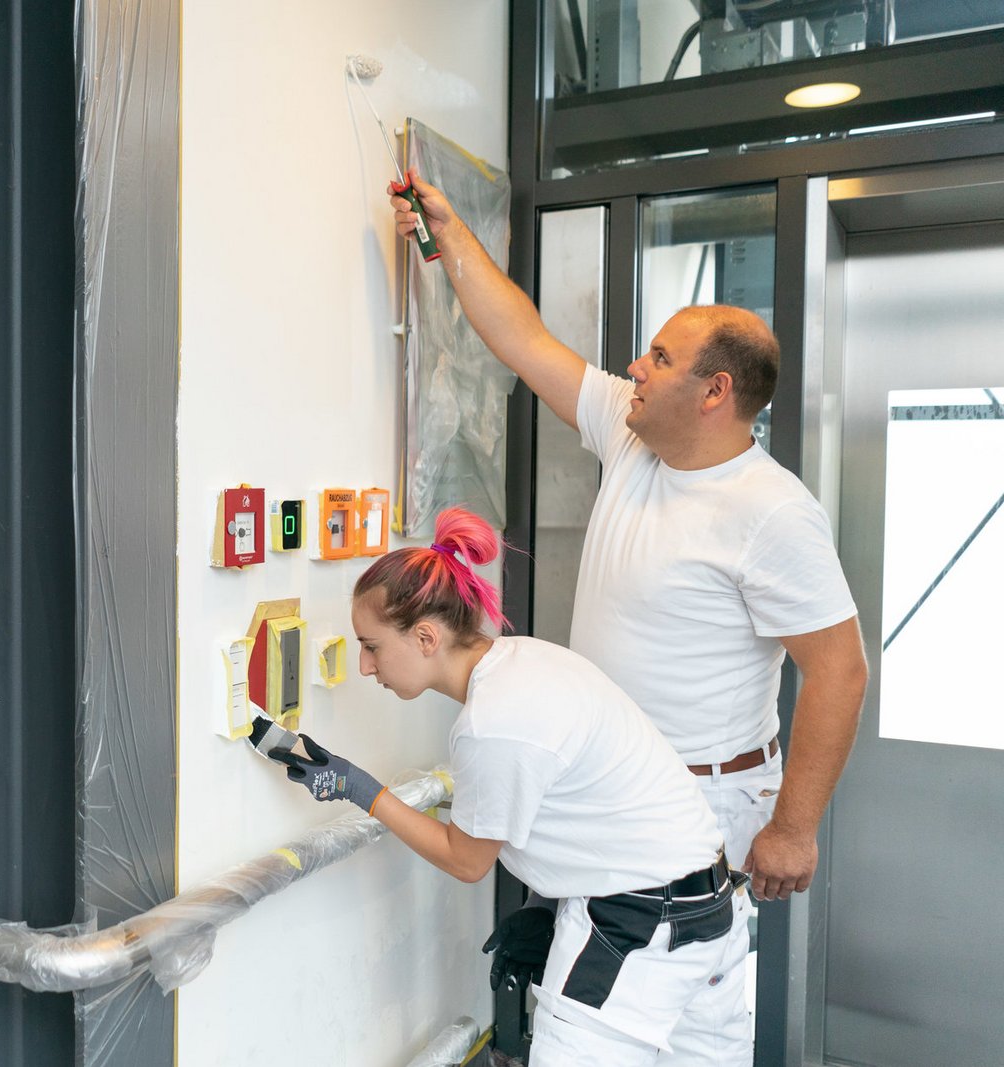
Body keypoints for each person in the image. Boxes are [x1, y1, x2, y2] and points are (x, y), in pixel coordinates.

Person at [389, 171, 868, 1021]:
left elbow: (839, 671)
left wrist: (793, 828)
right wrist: (449, 234)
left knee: (666, 1014)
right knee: (612, 1003)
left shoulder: (772, 512)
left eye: (660, 358)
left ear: (716, 393)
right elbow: (523, 339)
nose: (634, 368)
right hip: (611, 783)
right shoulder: (631, 431)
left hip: (705, 799)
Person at [270, 508, 748, 1064]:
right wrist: (547, 906)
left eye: (371, 646)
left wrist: (360, 788)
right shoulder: (526, 662)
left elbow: (467, 860)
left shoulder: (494, 722)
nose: (365, 667)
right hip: (709, 907)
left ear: (425, 637)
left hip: (638, 927)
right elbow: (592, 804)